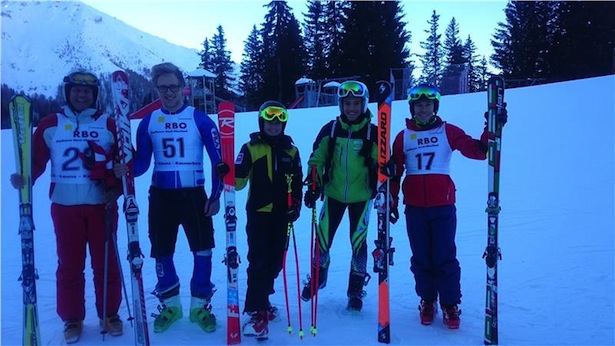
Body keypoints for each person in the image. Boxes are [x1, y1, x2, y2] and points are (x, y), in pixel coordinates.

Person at [10, 70, 124, 343]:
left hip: (100, 204)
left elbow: (123, 162)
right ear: (68, 93)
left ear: (95, 95)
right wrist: (25, 178)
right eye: (76, 90)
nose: (81, 95)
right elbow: (36, 160)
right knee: (70, 264)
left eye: (86, 91)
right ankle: (72, 318)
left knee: (106, 261)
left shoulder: (108, 124)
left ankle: (109, 313)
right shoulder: (51, 124)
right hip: (64, 206)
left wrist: (117, 186)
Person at [385, 83, 508, 329]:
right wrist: (392, 200)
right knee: (421, 257)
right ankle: (427, 300)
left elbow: (479, 151)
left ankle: (450, 303)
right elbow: (395, 172)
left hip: (443, 206)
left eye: (427, 104)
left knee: (444, 256)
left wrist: (492, 127)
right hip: (415, 208)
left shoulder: (447, 131)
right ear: (412, 108)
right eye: (418, 105)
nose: (423, 109)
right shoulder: (403, 137)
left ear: (435, 106)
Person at [114, 62, 224, 333]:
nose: (169, 92)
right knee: (162, 251)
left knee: (203, 249)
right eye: (163, 87)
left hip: (194, 195)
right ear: (157, 89)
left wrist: (215, 194)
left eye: (173, 87)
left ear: (183, 88)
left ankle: (199, 305)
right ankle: (170, 305)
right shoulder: (149, 122)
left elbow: (218, 161)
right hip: (161, 197)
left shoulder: (200, 119)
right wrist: (125, 168)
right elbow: (141, 165)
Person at [302, 80, 378, 311]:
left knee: (358, 241)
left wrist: (383, 177)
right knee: (322, 236)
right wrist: (313, 185)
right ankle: (318, 275)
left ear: (364, 104)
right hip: (334, 193)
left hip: (361, 196)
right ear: (340, 105)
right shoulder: (331, 130)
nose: (352, 108)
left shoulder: (372, 132)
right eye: (347, 103)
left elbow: (382, 161)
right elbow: (317, 158)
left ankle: (355, 289)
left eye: (356, 103)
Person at [234, 101, 303, 339]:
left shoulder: (291, 151)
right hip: (259, 214)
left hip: (282, 216)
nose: (273, 125)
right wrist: (231, 171)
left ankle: (264, 299)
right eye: (268, 121)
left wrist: (295, 206)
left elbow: (297, 182)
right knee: (258, 261)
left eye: (278, 121)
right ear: (261, 122)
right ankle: (256, 309)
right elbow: (239, 182)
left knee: (276, 262)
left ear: (283, 123)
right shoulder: (251, 148)